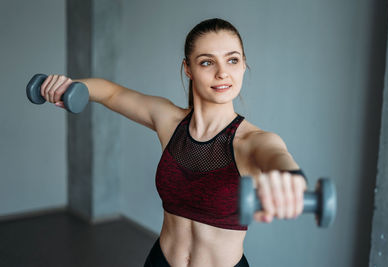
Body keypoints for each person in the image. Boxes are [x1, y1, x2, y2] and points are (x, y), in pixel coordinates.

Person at [41, 18, 307, 267]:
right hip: (160, 261)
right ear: (188, 69)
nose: (222, 73)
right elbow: (113, 93)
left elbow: (277, 158)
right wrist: (70, 85)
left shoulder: (253, 141)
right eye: (207, 62)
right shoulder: (169, 121)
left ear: (244, 65)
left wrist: (291, 179)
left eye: (232, 60)